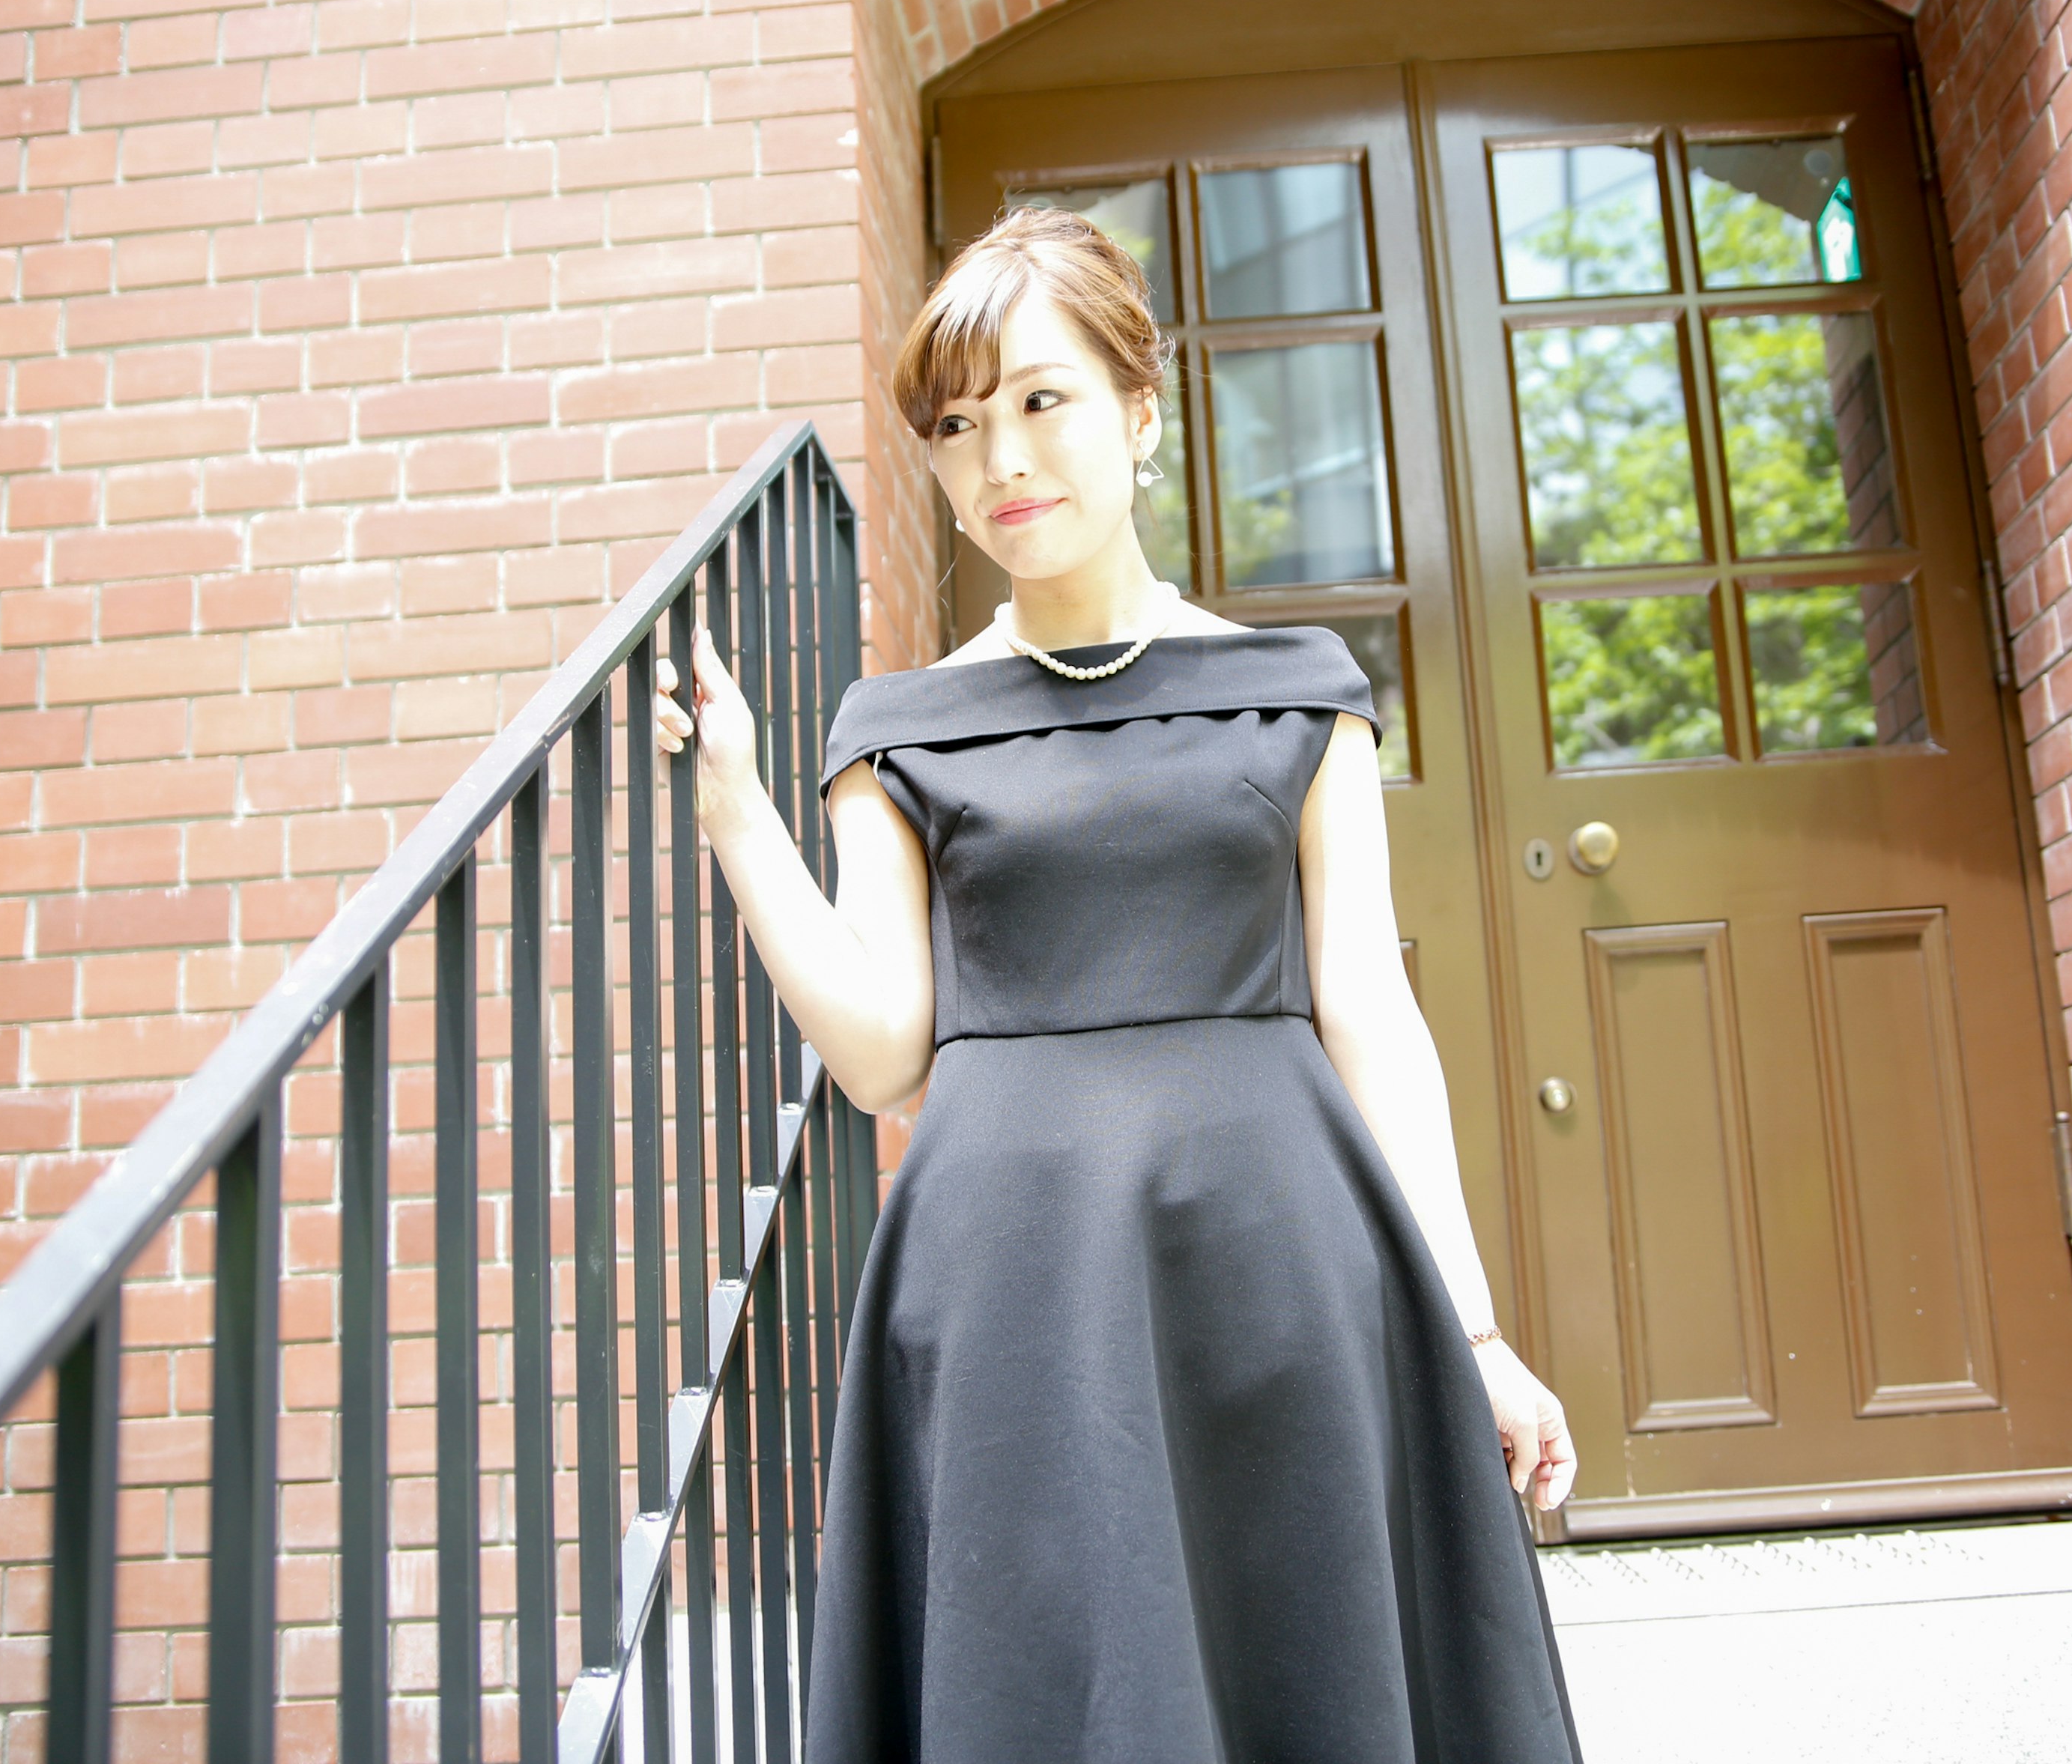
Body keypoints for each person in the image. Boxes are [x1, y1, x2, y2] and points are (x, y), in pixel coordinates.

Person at [651, 204, 1585, 1762]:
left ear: (1142, 411)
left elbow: (1369, 1004)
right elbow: (888, 1053)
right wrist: (742, 818)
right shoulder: (899, 729)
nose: (999, 458)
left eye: (1040, 401)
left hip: (1276, 1264)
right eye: (955, 428)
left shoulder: (1300, 696)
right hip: (1011, 1285)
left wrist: (1475, 1328)